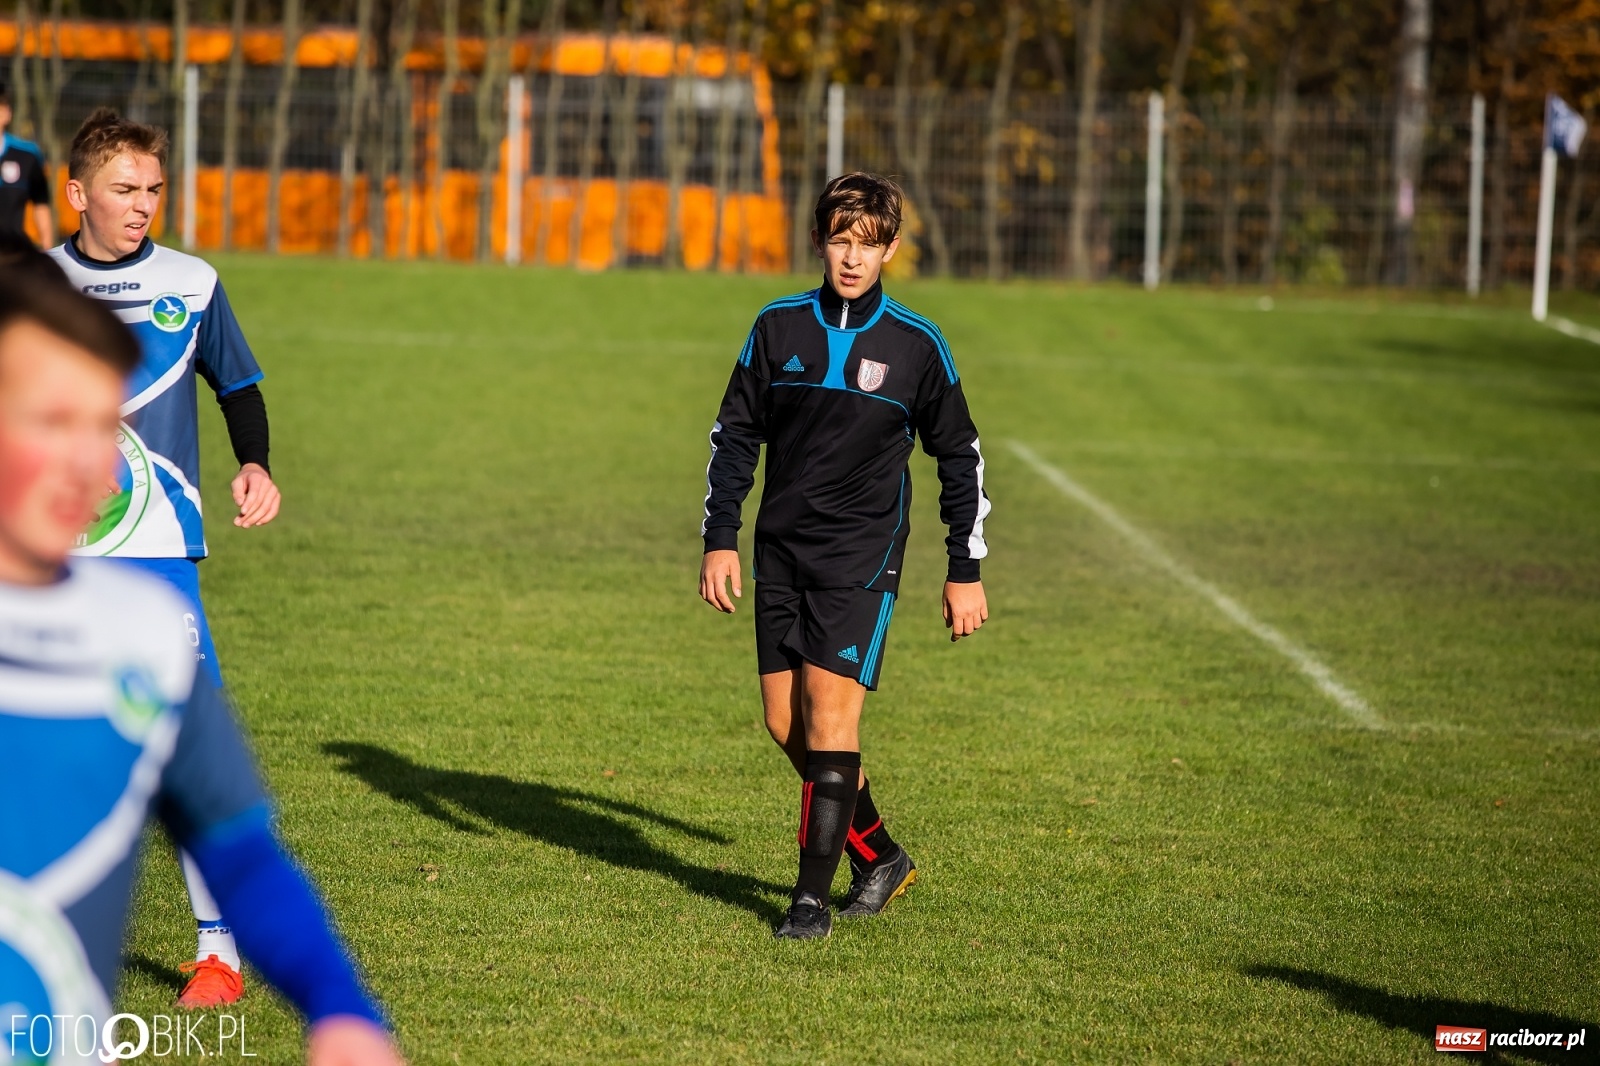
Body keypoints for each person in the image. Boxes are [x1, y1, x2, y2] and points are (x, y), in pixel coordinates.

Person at [0, 267, 404, 1066]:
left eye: (102, 427)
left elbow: (242, 854)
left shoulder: (144, 637)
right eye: (53, 422)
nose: (96, 465)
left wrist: (340, 1008)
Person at [698, 172, 991, 940]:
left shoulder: (918, 346)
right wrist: (720, 538)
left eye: (867, 244)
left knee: (831, 720)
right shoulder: (777, 327)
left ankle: (807, 903)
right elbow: (734, 438)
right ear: (820, 242)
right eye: (839, 241)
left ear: (890, 247)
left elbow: (960, 457)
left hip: (863, 555)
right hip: (780, 549)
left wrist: (966, 569)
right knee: (782, 721)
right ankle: (881, 855)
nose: (851, 258)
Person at [47, 107, 281, 1006]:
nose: (142, 206)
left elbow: (241, 384)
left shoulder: (193, 280)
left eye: (152, 189)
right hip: (49, 557)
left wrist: (256, 463)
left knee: (185, 745)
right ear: (77, 194)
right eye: (123, 189)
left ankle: (217, 955)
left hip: (159, 551)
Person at [0, 78, 55, 246]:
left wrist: (48, 255)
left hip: (12, 258)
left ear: (8, 112)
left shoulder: (27, 155)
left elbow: (41, 205)